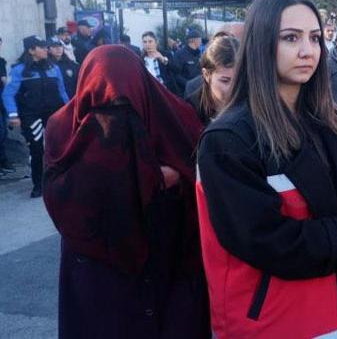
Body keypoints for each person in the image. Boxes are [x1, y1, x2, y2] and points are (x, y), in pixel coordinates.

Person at [196, 0, 337, 338]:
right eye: (291, 38)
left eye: (315, 38)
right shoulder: (228, 139)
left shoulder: (332, 121)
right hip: (281, 318)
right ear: (260, 44)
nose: (308, 50)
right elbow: (261, 238)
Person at [43, 45, 210, 338]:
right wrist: (153, 178)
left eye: (124, 106)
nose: (114, 118)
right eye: (105, 107)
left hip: (167, 258)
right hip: (97, 264)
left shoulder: (176, 119)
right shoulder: (60, 129)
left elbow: (202, 172)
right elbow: (61, 196)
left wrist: (179, 177)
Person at [3, 36, 69, 197]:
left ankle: (61, 181)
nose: (46, 49)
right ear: (31, 50)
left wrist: (69, 109)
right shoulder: (19, 70)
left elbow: (62, 91)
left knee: (59, 147)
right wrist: (13, 115)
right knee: (37, 149)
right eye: (41, 47)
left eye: (46, 47)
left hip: (54, 115)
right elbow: (8, 94)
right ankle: (38, 184)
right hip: (32, 117)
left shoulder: (53, 67)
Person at [186, 33, 238, 125]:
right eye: (225, 81)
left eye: (239, 80)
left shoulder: (255, 105)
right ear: (206, 75)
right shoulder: (190, 110)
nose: (234, 88)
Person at [171, 29, 203, 94]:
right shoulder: (179, 54)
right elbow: (176, 75)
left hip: (199, 90)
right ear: (193, 40)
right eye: (200, 39)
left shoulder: (198, 54)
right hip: (185, 92)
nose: (201, 42)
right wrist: (189, 85)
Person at [0, 36, 10, 174]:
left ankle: (3, 162)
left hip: (1, 100)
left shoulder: (1, 61)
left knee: (3, 132)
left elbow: (4, 80)